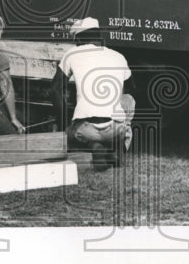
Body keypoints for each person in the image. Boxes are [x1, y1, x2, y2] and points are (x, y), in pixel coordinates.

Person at [52, 17, 135, 168]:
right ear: (99, 36)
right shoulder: (118, 56)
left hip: (86, 130)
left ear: (79, 39)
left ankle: (94, 147)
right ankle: (117, 148)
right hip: (115, 129)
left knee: (71, 135)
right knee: (129, 98)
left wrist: (64, 123)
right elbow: (130, 89)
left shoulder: (72, 54)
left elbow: (55, 88)